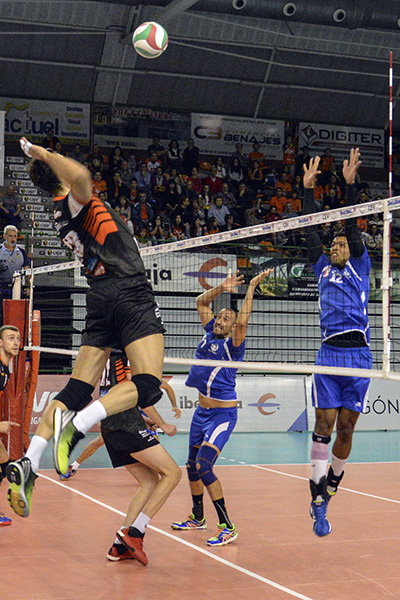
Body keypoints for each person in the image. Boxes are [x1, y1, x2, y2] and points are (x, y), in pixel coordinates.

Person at [6, 137, 165, 520]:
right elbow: (80, 174)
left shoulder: (60, 214)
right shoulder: (75, 201)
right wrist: (41, 153)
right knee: (148, 384)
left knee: (77, 388)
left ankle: (30, 459)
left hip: (100, 298)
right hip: (128, 291)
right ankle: (77, 426)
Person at [171, 270, 270, 547]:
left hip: (222, 415)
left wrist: (251, 287)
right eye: (220, 316)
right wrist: (221, 288)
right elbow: (201, 302)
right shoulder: (209, 332)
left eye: (227, 319)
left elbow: (243, 320)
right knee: (191, 466)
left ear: (232, 327)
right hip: (201, 414)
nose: (220, 320)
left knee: (204, 465)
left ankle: (227, 525)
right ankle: (197, 517)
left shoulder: (233, 346)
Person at [302, 148, 373, 537]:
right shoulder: (321, 267)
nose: (335, 247)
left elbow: (349, 225)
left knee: (346, 429)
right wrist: (307, 191)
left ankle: (331, 485)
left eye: (341, 244)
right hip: (329, 353)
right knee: (324, 422)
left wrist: (349, 188)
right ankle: (316, 495)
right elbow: (311, 230)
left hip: (358, 356)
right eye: (333, 245)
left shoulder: (360, 264)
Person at [61, 350, 181, 563]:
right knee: (173, 474)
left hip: (110, 426)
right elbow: (139, 395)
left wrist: (143, 420)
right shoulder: (129, 353)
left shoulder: (106, 354)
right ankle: (136, 532)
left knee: (149, 482)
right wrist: (162, 423)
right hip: (126, 425)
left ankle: (119, 546)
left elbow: (117, 393)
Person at [61, 360, 181, 480]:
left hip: (133, 413)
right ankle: (74, 466)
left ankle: (152, 476)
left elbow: (167, 387)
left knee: (153, 444)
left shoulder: (141, 378)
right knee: (100, 441)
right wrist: (158, 422)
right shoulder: (122, 373)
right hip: (124, 415)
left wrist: (174, 406)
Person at [0, 325, 21, 526]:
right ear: (0, 342)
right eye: (10, 338)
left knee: (3, 462)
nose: (15, 343)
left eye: (18, 338)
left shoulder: (4, 369)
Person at [0, 226, 30, 325]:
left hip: (17, 289)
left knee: (16, 315)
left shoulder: (22, 252)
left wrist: (28, 286)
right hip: (2, 288)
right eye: (10, 236)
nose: (13, 239)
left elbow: (27, 270)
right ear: (4, 236)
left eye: (15, 236)